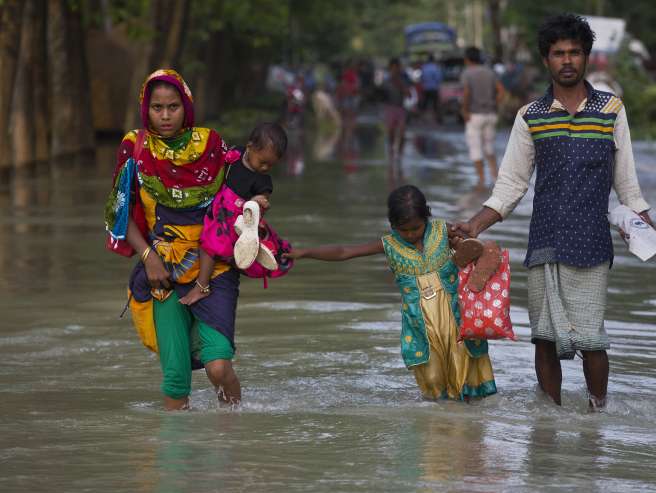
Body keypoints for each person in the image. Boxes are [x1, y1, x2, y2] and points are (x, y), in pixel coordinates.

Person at [452, 14, 653, 410]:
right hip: (545, 243)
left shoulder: (611, 110)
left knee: (593, 340)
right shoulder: (531, 116)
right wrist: (474, 224)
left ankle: (597, 416)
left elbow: (626, 180)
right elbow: (511, 184)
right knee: (543, 338)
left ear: (586, 57)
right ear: (546, 59)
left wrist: (641, 218)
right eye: (558, 53)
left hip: (593, 246)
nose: (567, 60)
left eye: (574, 52)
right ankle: (550, 419)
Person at [103, 69, 242, 410]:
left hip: (216, 270)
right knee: (175, 380)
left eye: (173, 107)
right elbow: (119, 212)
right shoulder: (134, 147)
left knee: (219, 366)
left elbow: (235, 198)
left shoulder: (211, 144)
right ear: (145, 109)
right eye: (157, 108)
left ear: (187, 107)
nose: (165, 116)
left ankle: (234, 436)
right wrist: (149, 256)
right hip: (162, 271)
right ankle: (175, 458)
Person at [285, 185, 497, 401]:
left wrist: (462, 245)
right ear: (392, 225)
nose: (410, 234)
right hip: (421, 326)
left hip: (456, 320)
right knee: (433, 380)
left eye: (416, 228)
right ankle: (439, 425)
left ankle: (466, 427)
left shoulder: (444, 232)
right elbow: (344, 251)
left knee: (464, 375)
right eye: (402, 229)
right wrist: (304, 253)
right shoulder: (389, 245)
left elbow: (477, 249)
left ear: (427, 217)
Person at [178, 122, 289, 307]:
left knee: (210, 245)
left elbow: (261, 200)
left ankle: (202, 286)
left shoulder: (263, 181)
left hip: (235, 219)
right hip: (215, 206)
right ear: (249, 147)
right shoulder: (233, 155)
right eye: (262, 162)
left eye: (270, 165)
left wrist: (258, 201)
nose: (265, 168)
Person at [460, 46, 505, 190]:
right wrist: (494, 105)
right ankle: (495, 178)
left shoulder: (467, 73)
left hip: (475, 115)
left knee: (475, 148)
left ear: (467, 59)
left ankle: (481, 181)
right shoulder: (489, 72)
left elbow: (466, 93)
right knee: (489, 148)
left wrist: (464, 110)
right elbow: (501, 91)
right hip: (490, 115)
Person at [383, 57, 410, 164]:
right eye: (393, 68)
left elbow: (408, 94)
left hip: (401, 108)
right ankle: (391, 151)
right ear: (390, 68)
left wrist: (400, 84)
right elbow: (381, 95)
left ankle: (400, 154)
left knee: (402, 132)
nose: (395, 70)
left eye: (397, 67)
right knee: (391, 132)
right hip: (389, 108)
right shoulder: (386, 80)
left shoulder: (404, 79)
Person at [419, 54, 443, 124]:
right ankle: (438, 118)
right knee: (436, 104)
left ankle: (422, 119)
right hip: (434, 88)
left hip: (426, 88)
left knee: (424, 104)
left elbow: (422, 78)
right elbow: (439, 78)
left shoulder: (424, 67)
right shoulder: (436, 67)